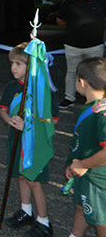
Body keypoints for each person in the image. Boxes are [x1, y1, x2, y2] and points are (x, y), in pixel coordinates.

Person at [0, 43, 59, 237]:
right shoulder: (10, 87)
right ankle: (26, 211)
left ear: (31, 66)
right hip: (15, 139)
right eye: (12, 63)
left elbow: (52, 119)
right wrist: (10, 121)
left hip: (34, 144)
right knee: (20, 175)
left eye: (18, 64)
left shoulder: (41, 90)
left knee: (34, 180)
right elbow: (3, 109)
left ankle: (44, 221)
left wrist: (29, 127)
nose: (13, 68)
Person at [65, 57, 106, 237]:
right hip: (84, 173)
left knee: (101, 220)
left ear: (81, 83)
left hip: (96, 178)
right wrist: (72, 163)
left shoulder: (102, 114)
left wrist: (82, 165)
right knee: (81, 207)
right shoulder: (90, 108)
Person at [56, 0, 106, 109]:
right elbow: (60, 20)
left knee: (96, 73)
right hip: (73, 46)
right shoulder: (69, 2)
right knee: (72, 72)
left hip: (95, 46)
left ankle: (98, 99)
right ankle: (69, 98)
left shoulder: (101, 1)